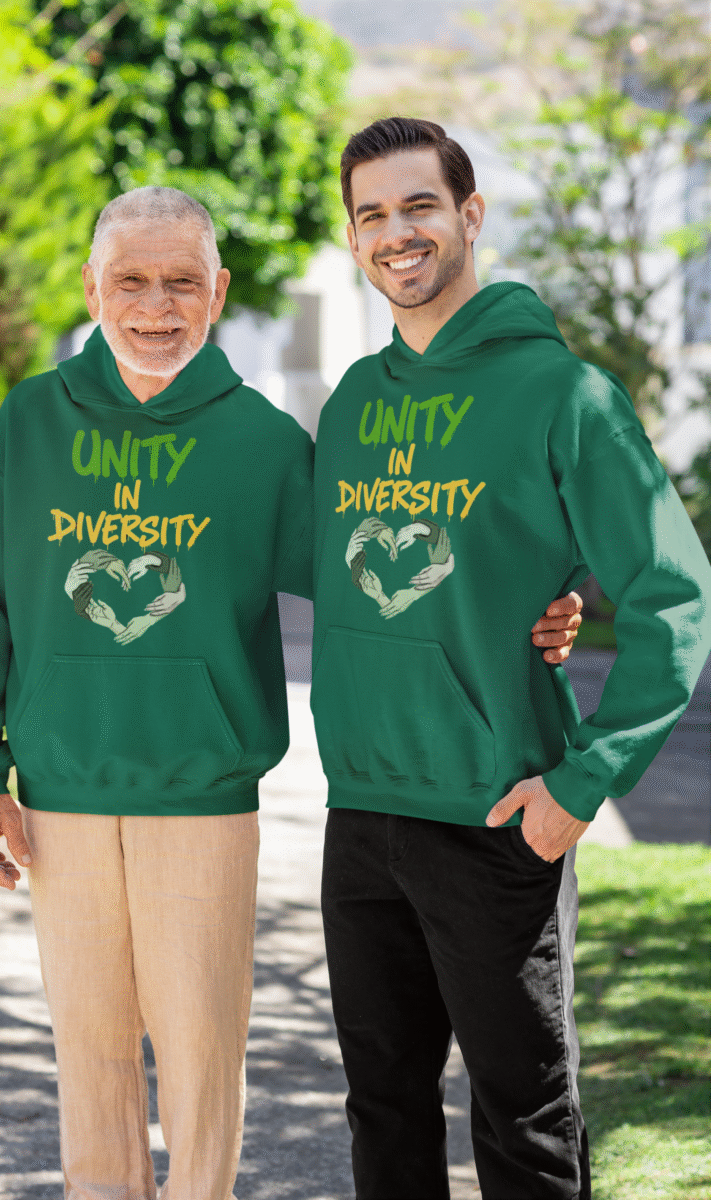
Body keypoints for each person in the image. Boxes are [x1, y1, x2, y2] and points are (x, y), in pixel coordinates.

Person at [0, 184, 581, 1200]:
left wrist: (532, 610)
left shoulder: (265, 443)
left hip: (202, 803)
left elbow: (380, 587)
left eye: (181, 282)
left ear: (217, 291)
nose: (155, 307)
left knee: (202, 1063)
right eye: (131, 281)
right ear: (92, 288)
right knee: (89, 1061)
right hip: (57, 799)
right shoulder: (29, 426)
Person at [310, 117, 711, 1200]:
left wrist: (581, 785)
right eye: (372, 215)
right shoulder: (352, 401)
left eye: (418, 205)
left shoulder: (564, 398)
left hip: (497, 819)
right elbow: (322, 568)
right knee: (381, 1109)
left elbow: (675, 595)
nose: (397, 232)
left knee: (522, 1120)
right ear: (353, 239)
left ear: (468, 214)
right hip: (362, 817)